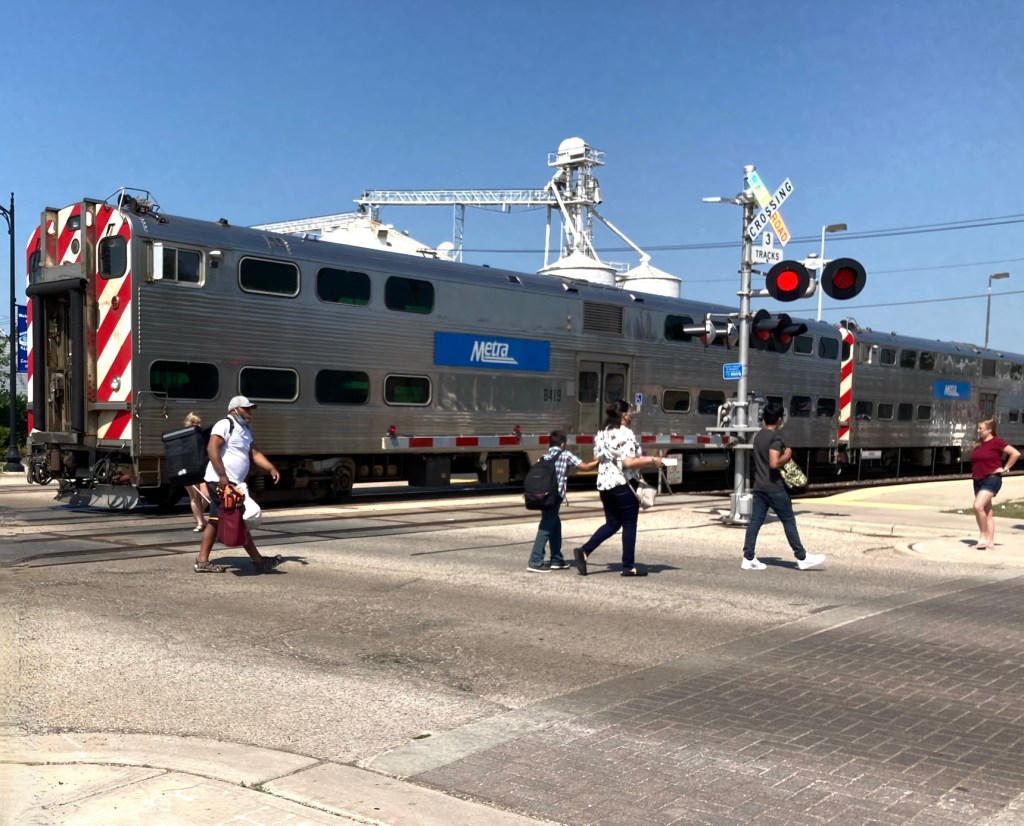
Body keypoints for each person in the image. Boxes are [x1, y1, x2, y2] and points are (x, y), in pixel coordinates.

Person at [193, 396, 283, 574]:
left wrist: (271, 468)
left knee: (215, 521)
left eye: (250, 409)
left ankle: (202, 561)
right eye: (246, 409)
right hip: (221, 480)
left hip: (231, 481)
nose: (250, 412)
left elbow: (254, 453)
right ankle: (258, 561)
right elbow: (212, 448)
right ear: (235, 409)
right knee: (237, 518)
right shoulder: (225, 424)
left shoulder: (244, 429)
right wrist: (223, 476)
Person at [574, 400, 663, 577]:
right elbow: (628, 462)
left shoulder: (601, 433)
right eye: (630, 412)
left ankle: (584, 551)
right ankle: (628, 566)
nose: (631, 415)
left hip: (604, 485)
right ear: (623, 415)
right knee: (629, 524)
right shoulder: (626, 433)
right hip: (623, 484)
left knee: (613, 523)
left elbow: (596, 456)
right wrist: (653, 461)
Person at [741, 401, 826, 571]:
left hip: (759, 486)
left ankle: (748, 557)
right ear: (780, 419)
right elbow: (774, 463)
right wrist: (787, 455)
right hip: (774, 487)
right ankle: (802, 557)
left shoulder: (758, 437)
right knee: (788, 520)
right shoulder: (775, 438)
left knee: (755, 522)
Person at [527, 430, 598, 572]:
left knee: (555, 524)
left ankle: (557, 559)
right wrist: (600, 459)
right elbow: (585, 467)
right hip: (555, 496)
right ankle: (535, 560)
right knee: (546, 527)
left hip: (542, 496)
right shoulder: (565, 455)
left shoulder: (543, 456)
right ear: (563, 444)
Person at [969, 418, 1020, 550]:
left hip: (992, 479)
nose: (978, 431)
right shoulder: (978, 444)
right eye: (978, 428)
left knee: (977, 506)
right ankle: (990, 542)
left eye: (981, 428)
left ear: (989, 430)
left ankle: (982, 538)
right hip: (978, 480)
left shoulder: (997, 442)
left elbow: (1015, 453)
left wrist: (1005, 468)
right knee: (987, 512)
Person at [183, 412, 209, 532]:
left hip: (201, 469)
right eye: (195, 422)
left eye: (199, 422)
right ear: (190, 423)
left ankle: (199, 516)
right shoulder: (185, 437)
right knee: (194, 496)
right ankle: (200, 522)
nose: (198, 424)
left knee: (205, 495)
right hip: (188, 469)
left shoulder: (201, 435)